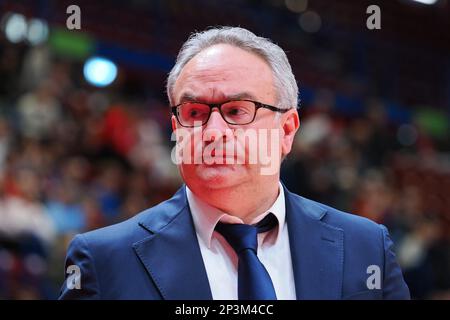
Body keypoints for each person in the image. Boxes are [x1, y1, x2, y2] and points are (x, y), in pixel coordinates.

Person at [59, 26, 410, 300]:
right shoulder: (103, 261)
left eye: (237, 111)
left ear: (286, 130)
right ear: (175, 129)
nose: (212, 132)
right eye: (194, 112)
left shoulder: (366, 247)